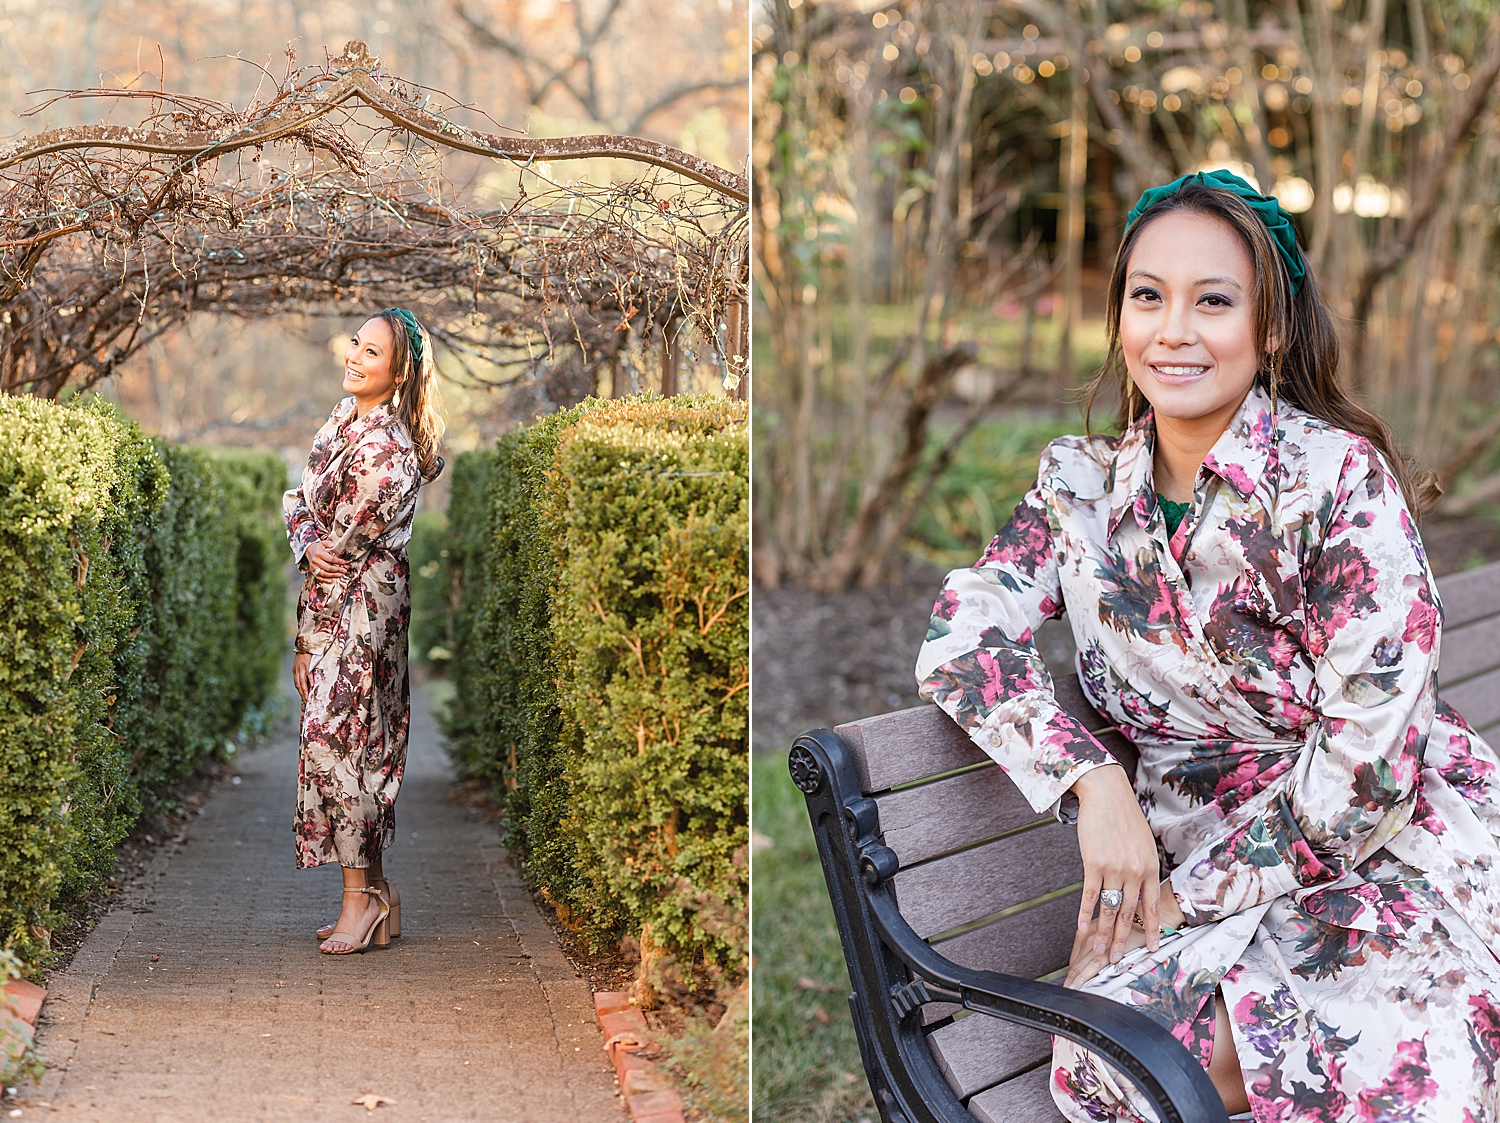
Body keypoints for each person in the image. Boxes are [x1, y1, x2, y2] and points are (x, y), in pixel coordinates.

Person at [915, 170, 1500, 1120]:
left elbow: (1369, 766)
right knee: (1105, 1068)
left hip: (1371, 852)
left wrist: (1190, 899)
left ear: (1269, 327)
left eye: (1213, 301)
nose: (1174, 330)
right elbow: (962, 634)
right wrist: (1092, 781)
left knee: (1414, 1058)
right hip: (1180, 854)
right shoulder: (1080, 490)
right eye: (1148, 297)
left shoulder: (1334, 479)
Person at [283, 307, 444, 955]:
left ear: (399, 370)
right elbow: (299, 507)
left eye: (371, 351)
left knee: (339, 740)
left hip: (363, 605)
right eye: (356, 343)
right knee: (354, 737)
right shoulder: (341, 420)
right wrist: (304, 538)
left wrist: (305, 638)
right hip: (342, 593)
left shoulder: (385, 448)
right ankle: (377, 895)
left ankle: (358, 901)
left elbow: (339, 552)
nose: (354, 355)